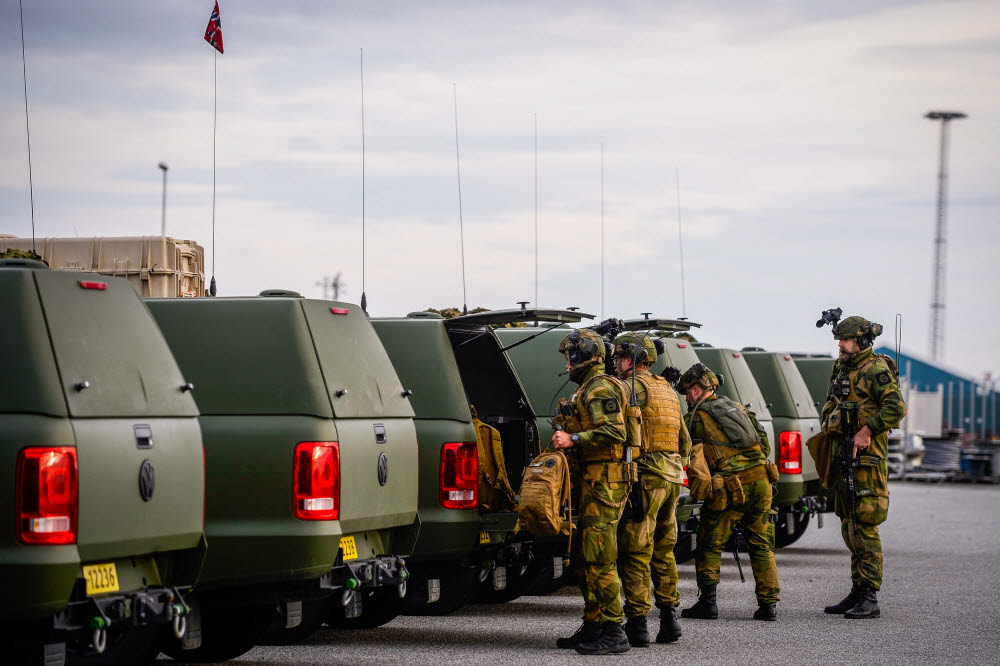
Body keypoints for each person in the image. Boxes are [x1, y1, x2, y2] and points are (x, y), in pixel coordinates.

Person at [677, 363, 780, 621]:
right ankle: (768, 606)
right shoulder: (738, 407)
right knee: (761, 544)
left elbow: (687, 452)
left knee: (710, 542)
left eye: (688, 392)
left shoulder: (697, 417)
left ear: (698, 389)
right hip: (763, 480)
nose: (687, 398)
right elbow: (764, 443)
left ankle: (708, 603)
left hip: (731, 487)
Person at [552, 328, 633, 655]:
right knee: (586, 558)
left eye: (570, 356)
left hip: (605, 482)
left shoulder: (599, 388)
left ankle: (614, 631)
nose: (568, 363)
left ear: (582, 356)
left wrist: (574, 439)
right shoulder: (587, 390)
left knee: (600, 557)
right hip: (592, 480)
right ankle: (595, 623)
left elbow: (615, 430)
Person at [819, 316, 905, 619]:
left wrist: (866, 430)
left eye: (845, 340)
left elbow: (896, 407)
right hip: (843, 455)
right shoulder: (843, 367)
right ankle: (857, 590)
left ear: (862, 341)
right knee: (849, 524)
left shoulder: (875, 370)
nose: (840, 345)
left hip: (867, 460)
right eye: (839, 340)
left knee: (865, 523)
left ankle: (870, 595)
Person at [611, 333, 691, 646]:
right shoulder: (666, 389)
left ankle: (638, 625)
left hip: (645, 478)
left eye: (619, 357)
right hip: (672, 478)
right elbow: (684, 439)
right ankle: (670, 620)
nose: (616, 363)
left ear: (631, 358)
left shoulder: (630, 387)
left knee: (635, 551)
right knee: (664, 550)